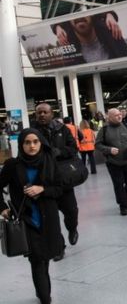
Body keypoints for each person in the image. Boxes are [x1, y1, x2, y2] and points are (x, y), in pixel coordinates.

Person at [0, 129, 64, 304]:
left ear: (41, 142)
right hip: (26, 220)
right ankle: (45, 297)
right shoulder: (12, 165)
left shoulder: (49, 161)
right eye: (27, 142)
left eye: (35, 141)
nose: (32, 146)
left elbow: (59, 188)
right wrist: (2, 207)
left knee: (45, 258)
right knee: (37, 259)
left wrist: (42, 189)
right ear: (21, 145)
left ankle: (41, 291)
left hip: (48, 219)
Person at [32, 103, 80, 261]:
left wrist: (59, 152)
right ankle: (59, 248)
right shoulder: (32, 133)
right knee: (51, 219)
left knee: (71, 211)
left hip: (63, 180)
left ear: (52, 114)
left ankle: (72, 228)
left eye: (45, 112)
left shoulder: (62, 129)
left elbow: (73, 148)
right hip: (44, 183)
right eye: (39, 112)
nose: (42, 115)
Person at [95, 109, 127, 216]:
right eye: (116, 115)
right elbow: (97, 144)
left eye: (120, 114)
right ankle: (123, 206)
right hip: (113, 162)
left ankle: (124, 198)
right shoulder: (104, 130)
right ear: (109, 117)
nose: (119, 116)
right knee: (118, 184)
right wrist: (109, 150)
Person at [52, 12, 127, 64]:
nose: (79, 17)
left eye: (84, 13)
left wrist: (109, 14)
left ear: (93, 16)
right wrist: (57, 26)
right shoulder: (69, 51)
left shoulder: (111, 35)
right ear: (68, 23)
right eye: (73, 15)